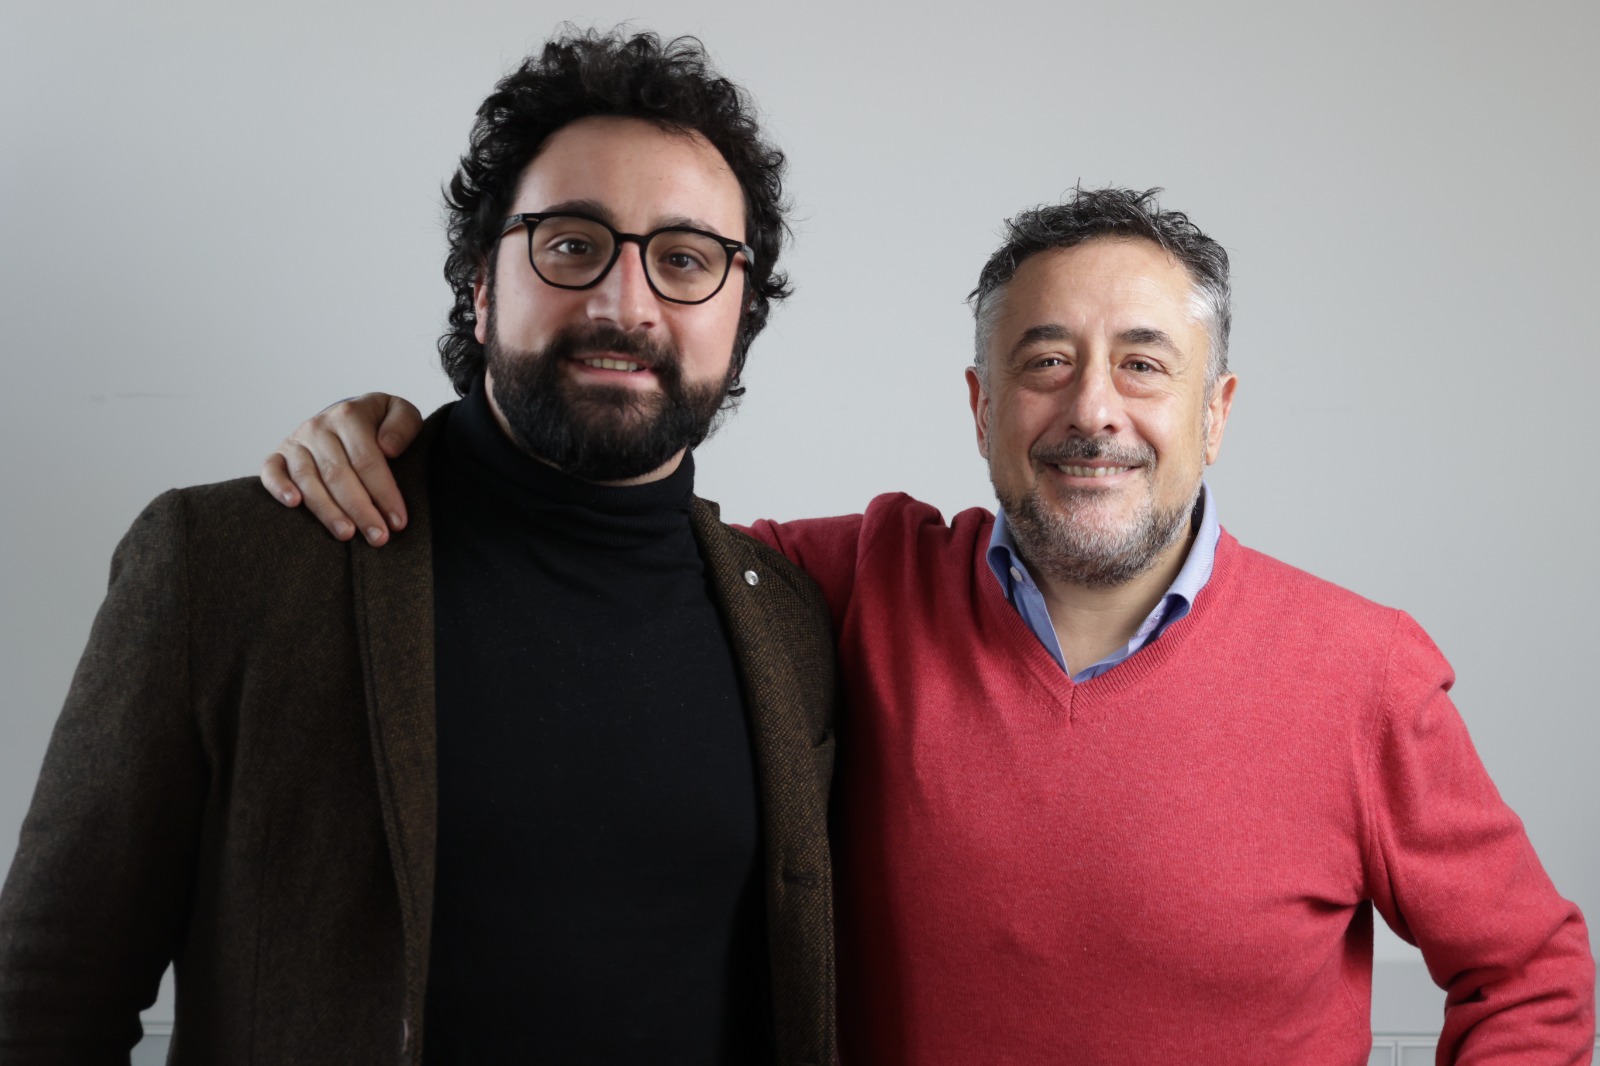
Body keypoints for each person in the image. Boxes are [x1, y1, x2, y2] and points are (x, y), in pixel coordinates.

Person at [266, 185, 1596, 1062]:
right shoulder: (842, 587)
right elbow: (598, 537)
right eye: (1045, 361)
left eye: (1143, 363)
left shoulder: (1361, 671)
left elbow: (1533, 973)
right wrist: (416, 449)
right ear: (979, 405)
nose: (1093, 410)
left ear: (1216, 410)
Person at [0, 30, 838, 1066]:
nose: (626, 303)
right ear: (481, 287)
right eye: (571, 243)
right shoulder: (223, 565)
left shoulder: (793, 626)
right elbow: (44, 1001)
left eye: (684, 259)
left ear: (741, 315)